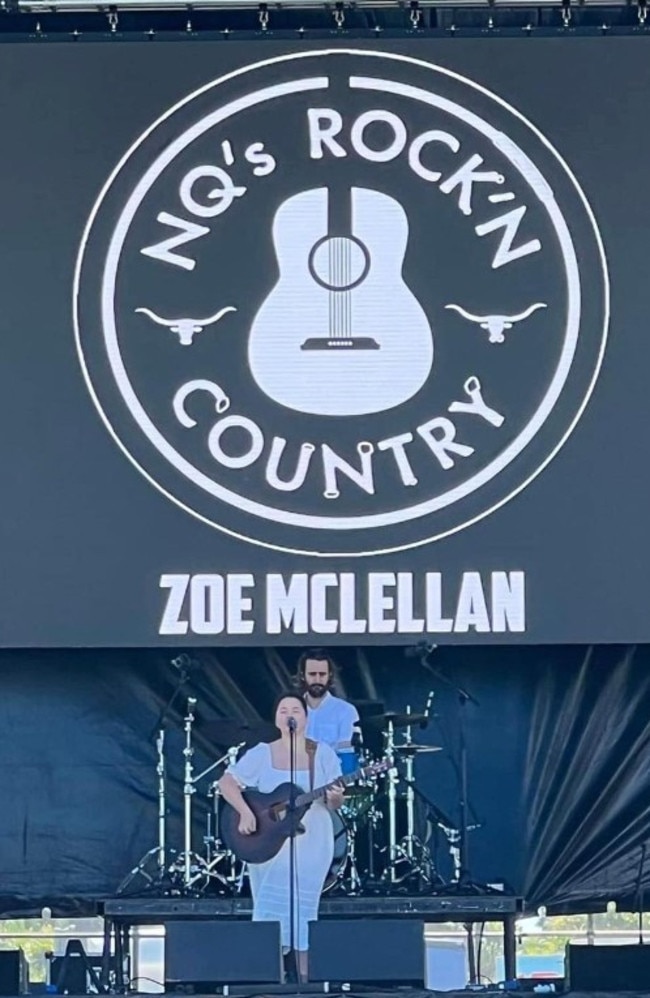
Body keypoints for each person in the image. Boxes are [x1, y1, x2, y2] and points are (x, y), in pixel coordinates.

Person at [218, 694, 344, 982]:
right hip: (268, 841)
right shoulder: (261, 753)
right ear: (277, 718)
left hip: (313, 839)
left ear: (305, 718)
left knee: (304, 906)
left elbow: (335, 804)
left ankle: (304, 979)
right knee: (270, 906)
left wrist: (336, 798)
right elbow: (227, 782)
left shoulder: (321, 753)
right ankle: (270, 978)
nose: (290, 714)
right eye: (284, 709)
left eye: (296, 710)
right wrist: (246, 813)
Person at [298, 649, 360, 757]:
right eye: (312, 674)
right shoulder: (290, 710)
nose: (317, 680)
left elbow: (346, 756)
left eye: (322, 674)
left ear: (330, 676)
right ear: (303, 676)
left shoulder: (346, 711)